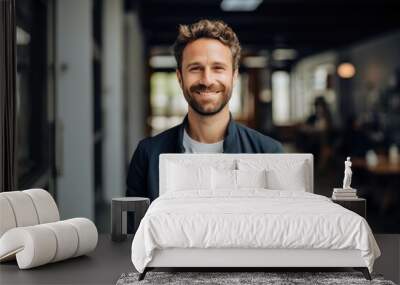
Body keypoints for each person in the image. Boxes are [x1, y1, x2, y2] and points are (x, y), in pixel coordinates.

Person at [126, 19, 283, 203]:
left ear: (234, 76)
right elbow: (132, 230)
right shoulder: (148, 155)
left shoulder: (268, 153)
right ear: (179, 77)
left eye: (218, 68)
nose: (207, 80)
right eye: (195, 68)